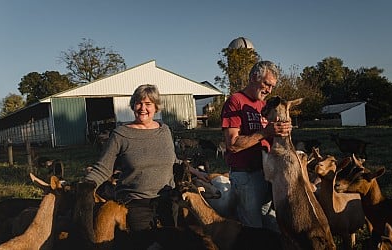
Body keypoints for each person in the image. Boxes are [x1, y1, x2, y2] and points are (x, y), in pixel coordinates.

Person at [83, 84, 207, 246]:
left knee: (171, 243)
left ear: (156, 107)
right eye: (138, 103)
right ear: (133, 105)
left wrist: (198, 173)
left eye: (148, 104)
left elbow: (173, 161)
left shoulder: (164, 131)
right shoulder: (120, 135)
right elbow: (103, 168)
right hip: (134, 204)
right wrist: (84, 187)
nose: (143, 108)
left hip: (167, 201)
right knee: (143, 244)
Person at [221, 60, 292, 230]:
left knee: (272, 224)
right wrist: (266, 132)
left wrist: (283, 130)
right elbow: (232, 144)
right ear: (254, 77)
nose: (269, 90)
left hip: (266, 174)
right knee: (253, 229)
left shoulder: (263, 106)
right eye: (267, 84)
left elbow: (270, 135)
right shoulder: (235, 102)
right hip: (246, 177)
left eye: (272, 86)